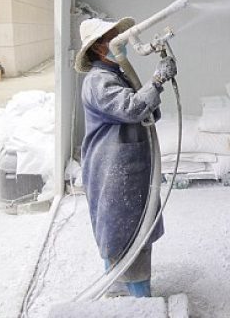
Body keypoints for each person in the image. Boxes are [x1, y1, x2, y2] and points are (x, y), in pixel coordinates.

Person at [75, 17, 177, 298]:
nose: (119, 40)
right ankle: (134, 295)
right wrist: (157, 80)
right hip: (113, 170)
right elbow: (131, 108)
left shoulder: (116, 74)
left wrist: (154, 88)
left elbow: (146, 112)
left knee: (134, 228)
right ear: (97, 48)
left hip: (126, 167)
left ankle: (123, 288)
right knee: (123, 232)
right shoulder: (98, 81)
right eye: (112, 37)